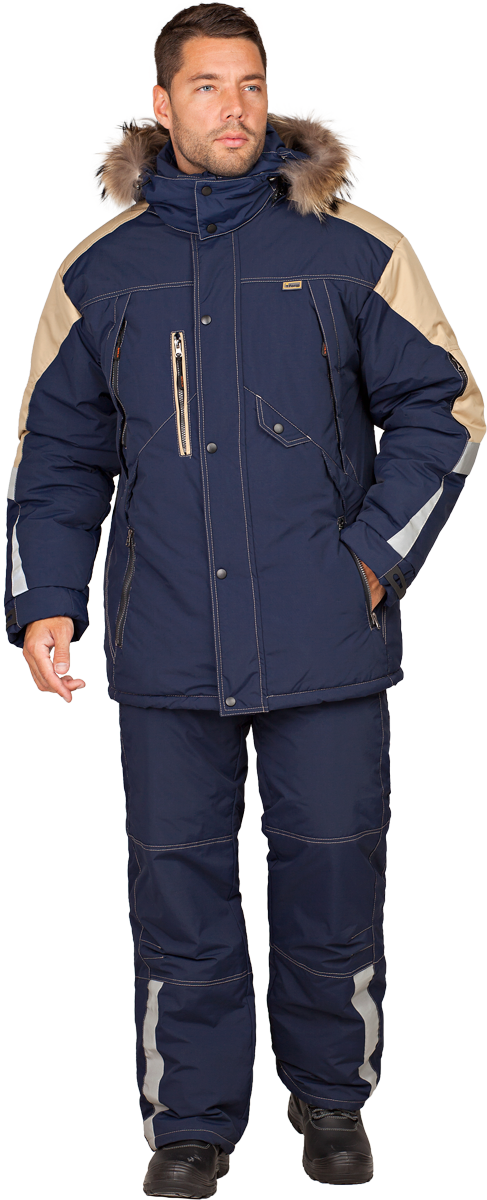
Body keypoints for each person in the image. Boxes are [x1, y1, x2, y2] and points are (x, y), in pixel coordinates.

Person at [5, 3, 484, 1193]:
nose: (235, 108)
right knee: (177, 887)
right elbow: (58, 456)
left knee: (331, 875)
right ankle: (192, 1123)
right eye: (207, 86)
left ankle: (331, 1100)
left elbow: (445, 409)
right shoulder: (100, 273)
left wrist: (371, 559)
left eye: (252, 84)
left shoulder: (352, 251)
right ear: (160, 104)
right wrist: (46, 595)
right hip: (168, 633)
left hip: (326, 632)